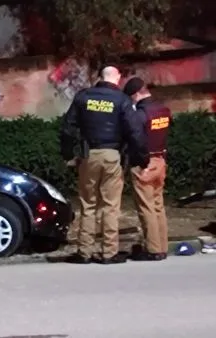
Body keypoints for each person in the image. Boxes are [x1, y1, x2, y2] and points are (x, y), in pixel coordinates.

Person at [60, 66, 149, 264]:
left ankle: (84, 251)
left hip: (88, 155)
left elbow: (67, 128)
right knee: (110, 206)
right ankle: (109, 252)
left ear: (99, 77)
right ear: (116, 78)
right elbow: (135, 132)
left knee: (88, 205)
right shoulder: (121, 100)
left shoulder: (83, 97)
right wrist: (141, 157)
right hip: (112, 155)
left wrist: (67, 154)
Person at [123, 77, 172, 261]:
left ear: (136, 94)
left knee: (146, 207)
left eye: (131, 97)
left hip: (145, 163)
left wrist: (141, 162)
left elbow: (136, 139)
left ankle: (153, 249)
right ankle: (162, 246)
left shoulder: (140, 115)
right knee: (158, 205)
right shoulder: (164, 110)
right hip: (160, 160)